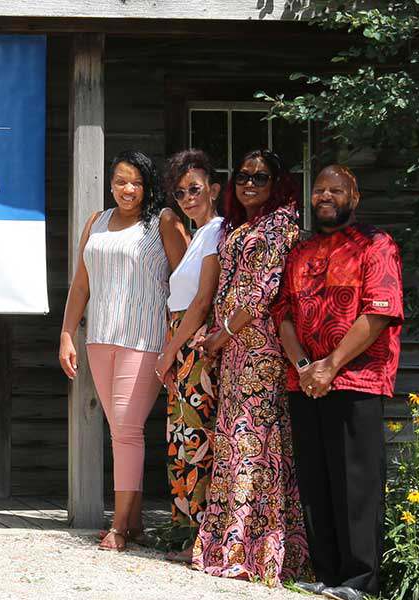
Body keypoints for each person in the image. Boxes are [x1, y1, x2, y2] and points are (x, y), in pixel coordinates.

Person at [278, 165, 402, 600]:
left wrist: (330, 365)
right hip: (307, 382)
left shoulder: (376, 245)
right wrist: (304, 367)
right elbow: (284, 315)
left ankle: (360, 582)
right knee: (317, 480)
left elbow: (379, 311)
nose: (324, 196)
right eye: (319, 190)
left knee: (356, 484)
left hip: (358, 381)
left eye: (335, 189)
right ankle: (328, 574)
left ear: (355, 195)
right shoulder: (301, 251)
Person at [57, 150, 187, 550]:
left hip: (144, 339)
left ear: (147, 186)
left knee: (127, 430)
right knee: (120, 432)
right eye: (119, 181)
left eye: (135, 182)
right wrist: (66, 334)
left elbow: (186, 280)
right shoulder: (96, 222)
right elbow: (82, 283)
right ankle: (132, 525)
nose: (126, 189)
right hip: (100, 338)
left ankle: (119, 526)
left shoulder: (162, 221)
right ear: (110, 183)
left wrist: (178, 337)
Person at [191, 149, 309, 585]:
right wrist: (218, 336)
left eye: (261, 177)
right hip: (233, 350)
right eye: (243, 176)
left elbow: (264, 289)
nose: (250, 183)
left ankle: (256, 549)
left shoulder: (281, 224)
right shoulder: (238, 226)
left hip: (259, 346)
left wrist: (222, 333)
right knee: (232, 439)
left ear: (277, 182)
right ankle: (227, 542)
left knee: (253, 440)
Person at [155, 149, 225, 533]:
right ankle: (186, 529)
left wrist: (168, 354)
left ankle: (201, 533)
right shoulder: (197, 235)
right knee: (183, 436)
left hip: (192, 343)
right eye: (180, 193)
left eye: (194, 189)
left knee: (197, 437)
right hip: (181, 341)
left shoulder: (217, 231)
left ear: (213, 189)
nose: (188, 198)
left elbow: (201, 302)